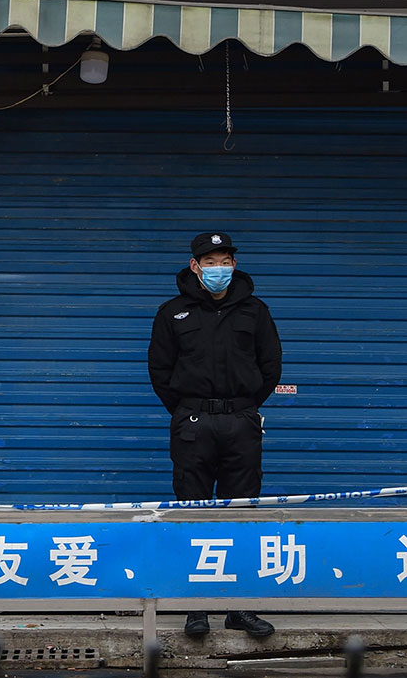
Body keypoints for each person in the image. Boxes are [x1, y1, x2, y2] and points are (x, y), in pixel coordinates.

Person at [147, 232, 282, 641]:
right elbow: (160, 371)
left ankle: (239, 608)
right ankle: (196, 608)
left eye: (225, 260)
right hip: (193, 423)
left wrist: (242, 408)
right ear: (195, 266)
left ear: (234, 265)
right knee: (193, 511)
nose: (219, 268)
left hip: (241, 420)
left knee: (241, 514)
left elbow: (270, 367)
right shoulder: (172, 313)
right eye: (211, 261)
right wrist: (189, 411)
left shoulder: (255, 311)